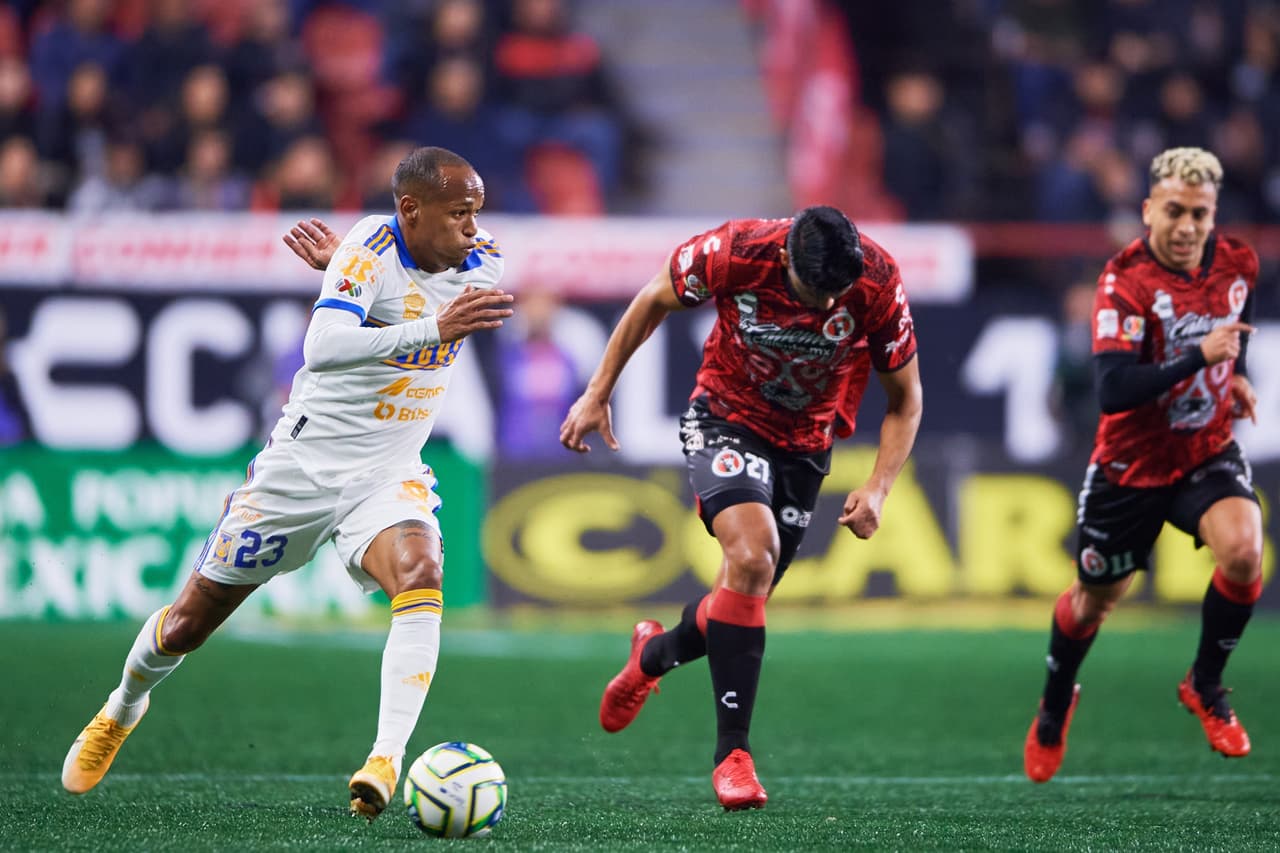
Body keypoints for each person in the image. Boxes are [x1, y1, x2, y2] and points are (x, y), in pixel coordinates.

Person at [60, 146, 515, 822]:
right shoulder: (368, 245)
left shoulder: (483, 263)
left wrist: (358, 286)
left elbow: (406, 303)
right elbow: (321, 349)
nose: (473, 229)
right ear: (410, 210)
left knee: (422, 573)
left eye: (476, 212)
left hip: (389, 470)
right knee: (186, 625)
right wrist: (387, 298)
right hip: (301, 471)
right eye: (459, 214)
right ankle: (121, 708)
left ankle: (385, 760)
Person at [560, 206, 923, 810]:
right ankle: (734, 756)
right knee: (754, 558)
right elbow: (652, 299)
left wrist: (880, 486)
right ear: (784, 259)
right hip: (725, 419)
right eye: (814, 293)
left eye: (837, 295)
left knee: (739, 603)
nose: (828, 306)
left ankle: (651, 656)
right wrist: (598, 393)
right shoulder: (734, 251)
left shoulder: (877, 281)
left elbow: (906, 400)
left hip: (806, 446)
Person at [1023, 147, 1263, 783]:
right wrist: (1199, 356)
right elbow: (1114, 389)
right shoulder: (1123, 281)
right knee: (1092, 604)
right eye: (1175, 211)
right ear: (1149, 209)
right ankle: (1055, 705)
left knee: (1244, 551)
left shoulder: (1238, 262)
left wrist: (1235, 374)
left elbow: (1238, 324)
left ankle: (1204, 685)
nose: (1186, 226)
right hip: (1131, 466)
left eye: (1199, 214)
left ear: (1214, 215)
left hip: (1204, 448)